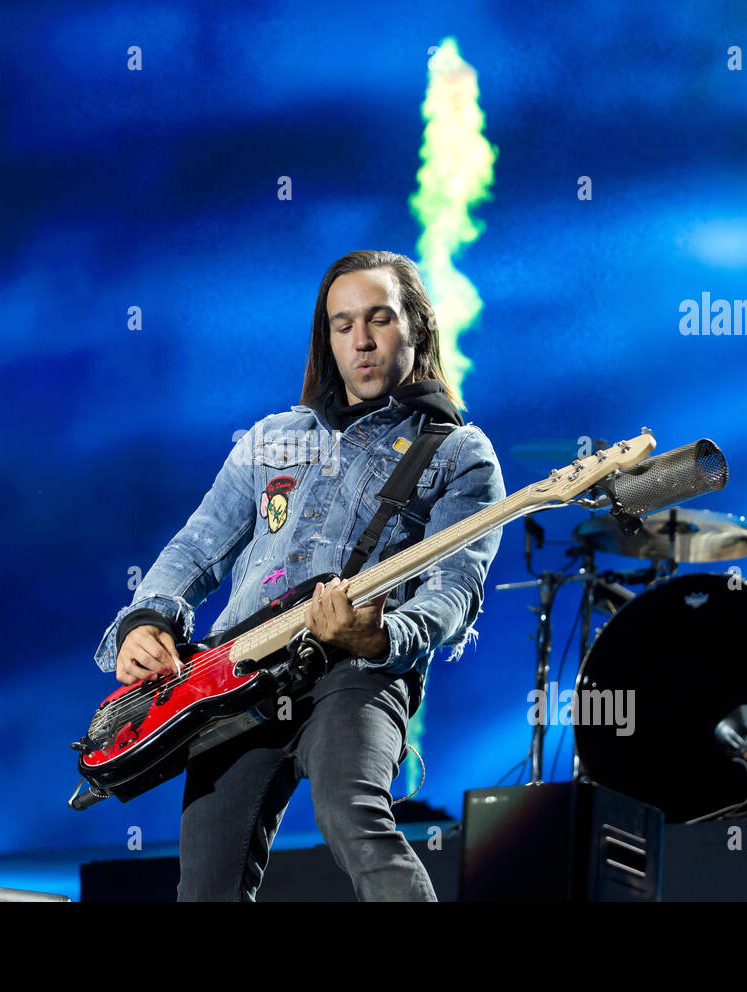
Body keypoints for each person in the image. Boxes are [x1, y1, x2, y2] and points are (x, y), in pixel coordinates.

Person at [93, 250, 504, 901]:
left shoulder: (458, 451)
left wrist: (381, 637)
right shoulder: (270, 437)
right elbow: (196, 549)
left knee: (352, 816)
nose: (361, 340)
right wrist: (148, 621)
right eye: (343, 325)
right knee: (205, 889)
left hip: (357, 675)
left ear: (418, 328)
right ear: (327, 337)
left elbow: (455, 589)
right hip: (237, 676)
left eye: (379, 319)